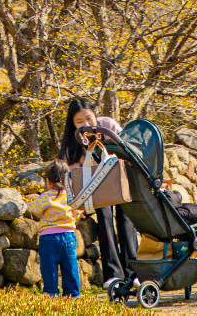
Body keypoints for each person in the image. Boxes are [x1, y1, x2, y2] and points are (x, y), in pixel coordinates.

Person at [59, 97, 138, 287]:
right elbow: (72, 175)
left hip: (120, 181)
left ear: (95, 114)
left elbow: (129, 149)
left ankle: (134, 272)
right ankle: (113, 275)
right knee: (104, 217)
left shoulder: (108, 126)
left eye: (89, 118)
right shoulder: (72, 142)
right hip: (95, 189)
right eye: (79, 122)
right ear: (72, 123)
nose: (86, 124)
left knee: (126, 217)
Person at [26, 159, 81, 298]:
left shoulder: (45, 197)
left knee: (49, 268)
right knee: (70, 268)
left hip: (48, 239)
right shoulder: (71, 197)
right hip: (68, 237)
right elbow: (77, 212)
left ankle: (51, 294)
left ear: (48, 181)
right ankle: (73, 296)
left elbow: (34, 209)